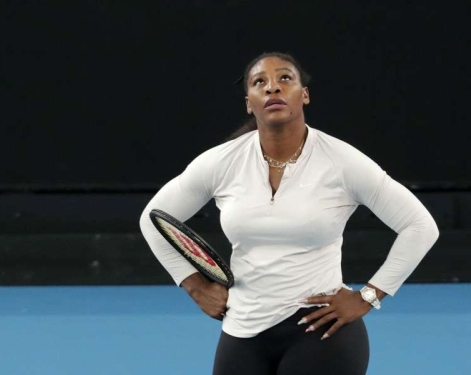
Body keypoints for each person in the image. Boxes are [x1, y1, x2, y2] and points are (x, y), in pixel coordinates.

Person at [138, 51, 439, 375]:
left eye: (285, 78)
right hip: (242, 330)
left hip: (323, 332)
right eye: (259, 82)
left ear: (304, 95)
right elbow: (153, 218)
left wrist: (368, 295)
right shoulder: (221, 162)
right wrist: (195, 286)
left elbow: (419, 225)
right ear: (249, 102)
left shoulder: (343, 162)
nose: (272, 88)